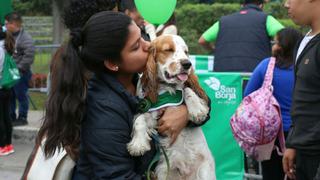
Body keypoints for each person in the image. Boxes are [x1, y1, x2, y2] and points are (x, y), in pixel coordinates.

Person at [38, 11, 210, 179]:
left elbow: (203, 104)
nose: (148, 46)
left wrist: (185, 114)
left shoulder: (141, 79)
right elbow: (116, 175)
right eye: (136, 46)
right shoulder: (102, 111)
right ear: (113, 64)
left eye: (142, 37)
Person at [244, 28, 302, 180]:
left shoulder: (266, 65)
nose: (273, 46)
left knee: (271, 173)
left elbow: (247, 95)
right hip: (300, 133)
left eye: (275, 42)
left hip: (270, 134)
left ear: (281, 46)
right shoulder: (304, 67)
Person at [282, 0, 320, 179]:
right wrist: (293, 143)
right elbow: (302, 99)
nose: (286, 4)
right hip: (303, 151)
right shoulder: (304, 41)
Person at [198, 0, 284, 72]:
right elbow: (285, 36)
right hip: (254, 74)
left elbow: (202, 40)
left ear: (242, 5)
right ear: (261, 6)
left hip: (224, 78)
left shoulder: (223, 21)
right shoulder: (265, 19)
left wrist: (213, 50)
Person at [5, 12, 35, 126]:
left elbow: (29, 56)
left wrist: (18, 69)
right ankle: (11, 117)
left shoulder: (26, 38)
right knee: (11, 95)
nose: (5, 25)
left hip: (21, 72)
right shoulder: (9, 36)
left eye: (7, 23)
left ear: (14, 24)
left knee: (21, 95)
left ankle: (22, 117)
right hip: (10, 72)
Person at [0, 24, 15, 156]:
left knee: (1, 118)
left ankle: (2, 145)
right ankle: (9, 145)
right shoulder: (7, 46)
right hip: (7, 87)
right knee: (6, 116)